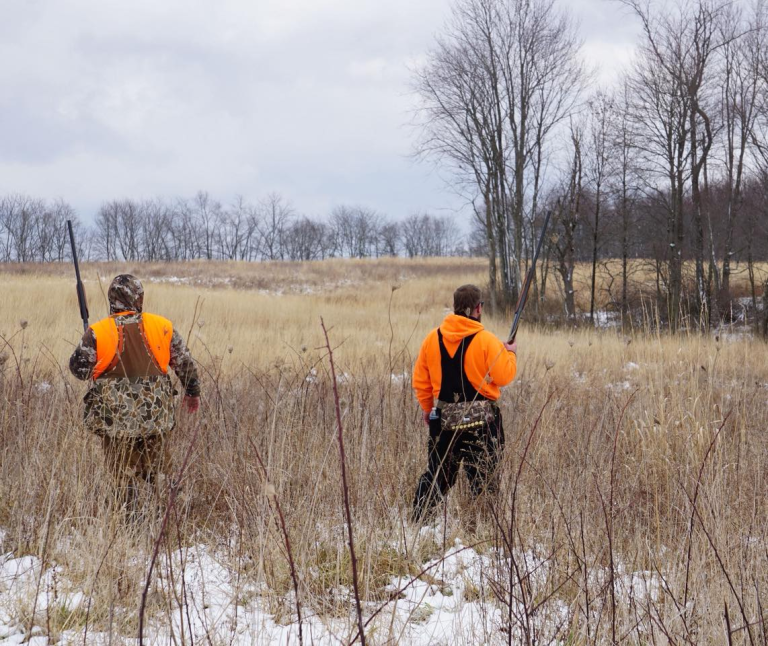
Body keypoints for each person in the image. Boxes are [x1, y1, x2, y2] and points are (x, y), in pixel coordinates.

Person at [69, 274, 200, 512]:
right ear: (139, 298)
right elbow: (185, 363)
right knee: (159, 469)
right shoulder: (161, 326)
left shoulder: (98, 332)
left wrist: (89, 341)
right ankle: (176, 517)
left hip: (116, 423)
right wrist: (192, 392)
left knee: (122, 474)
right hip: (154, 419)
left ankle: (131, 523)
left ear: (112, 300)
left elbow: (79, 371)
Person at [411, 284, 517, 522]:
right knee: (485, 479)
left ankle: (419, 522)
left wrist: (428, 409)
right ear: (478, 308)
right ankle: (486, 528)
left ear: (456, 307)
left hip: (444, 422)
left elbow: (420, 380)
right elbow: (504, 377)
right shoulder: (487, 341)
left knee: (438, 476)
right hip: (482, 424)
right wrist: (510, 353)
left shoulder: (432, 339)